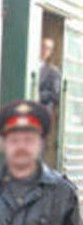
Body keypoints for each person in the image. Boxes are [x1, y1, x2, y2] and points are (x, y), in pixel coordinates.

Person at [39, 37, 62, 167]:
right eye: (42, 46)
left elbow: (55, 94)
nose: (44, 50)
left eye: (48, 48)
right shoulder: (28, 65)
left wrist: (37, 95)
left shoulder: (53, 71)